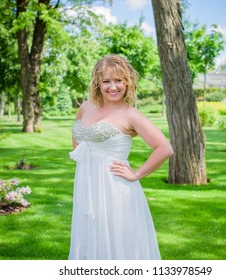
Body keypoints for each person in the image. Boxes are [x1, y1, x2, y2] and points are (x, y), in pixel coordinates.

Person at [68, 54, 173, 260]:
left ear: (127, 82)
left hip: (115, 186)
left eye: (118, 80)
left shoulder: (130, 115)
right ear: (97, 83)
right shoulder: (86, 107)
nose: (112, 87)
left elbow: (164, 148)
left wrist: (137, 174)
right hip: (87, 183)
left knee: (117, 238)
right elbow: (78, 137)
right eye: (106, 81)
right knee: (90, 235)